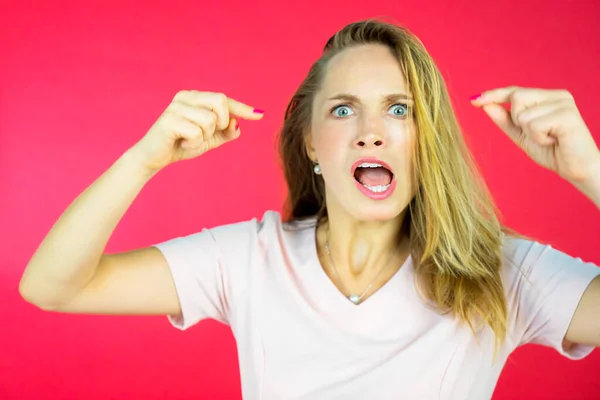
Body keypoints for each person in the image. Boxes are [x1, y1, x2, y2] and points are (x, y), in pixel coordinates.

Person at [19, 18, 600, 399]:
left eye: (399, 110)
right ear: (312, 144)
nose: (372, 132)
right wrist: (143, 160)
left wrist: (589, 171)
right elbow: (52, 287)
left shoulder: (500, 272)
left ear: (429, 141)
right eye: (344, 110)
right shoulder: (250, 258)